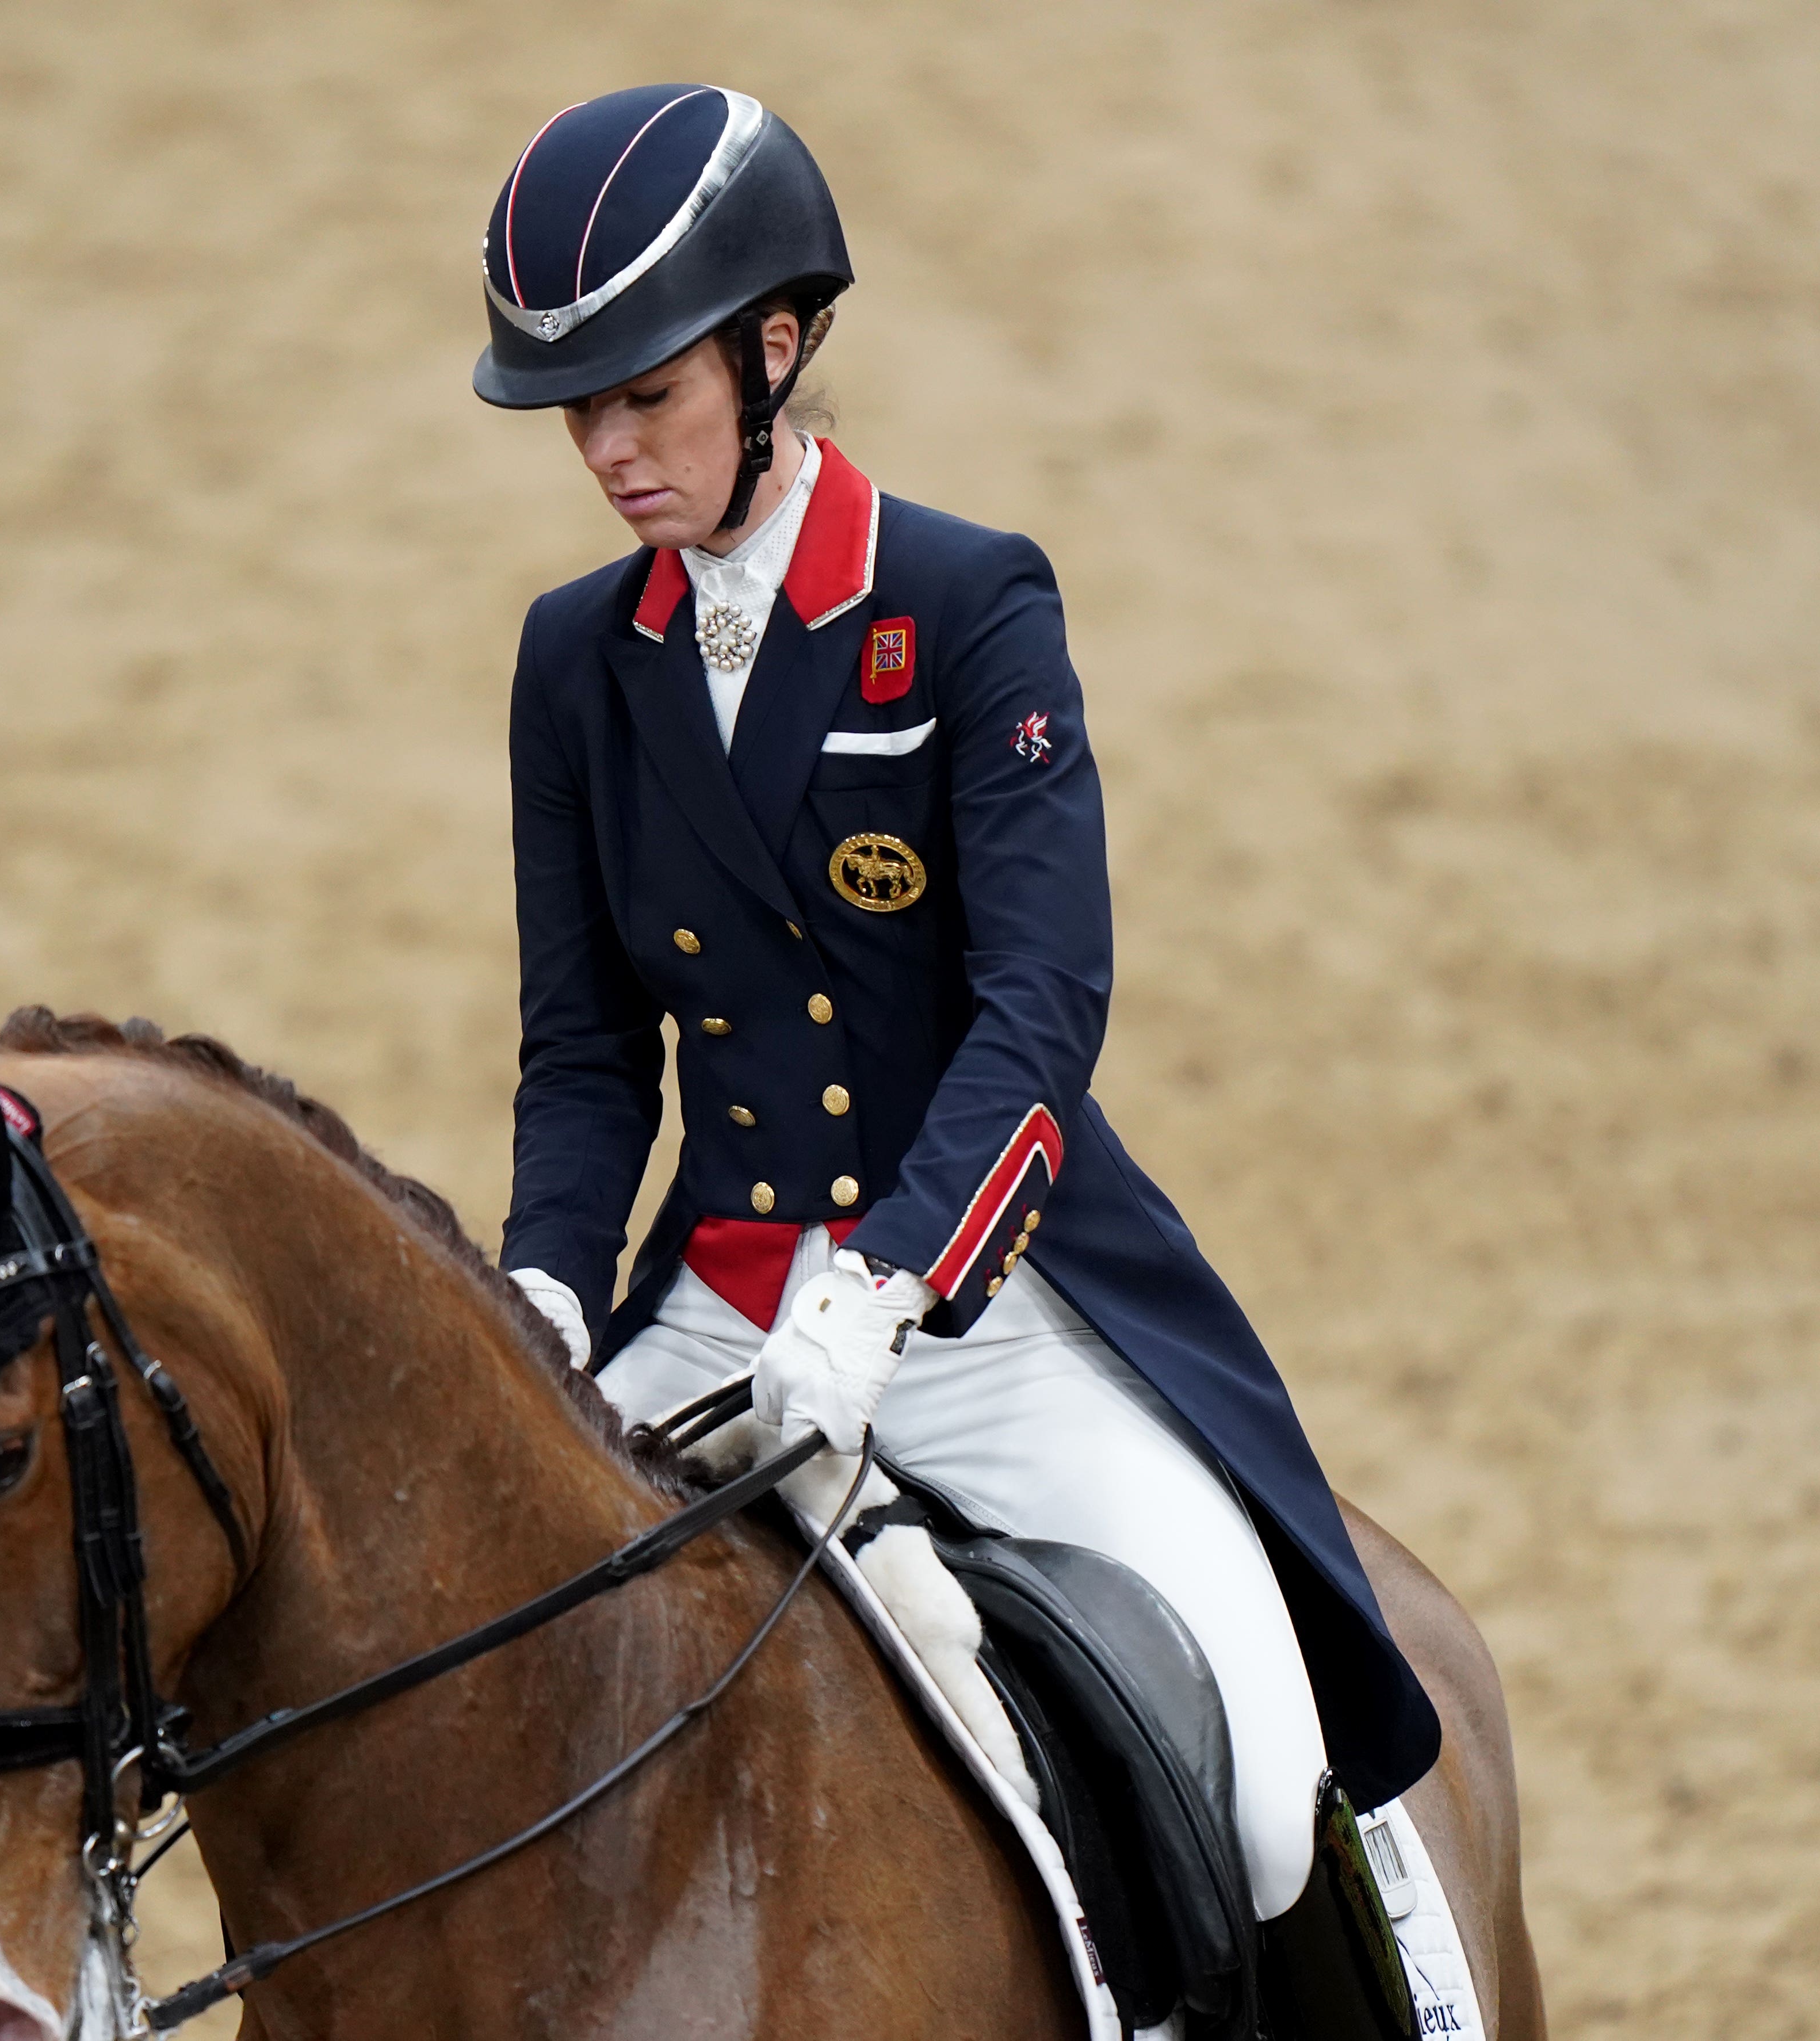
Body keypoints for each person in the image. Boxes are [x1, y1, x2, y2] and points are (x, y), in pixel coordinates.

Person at [477, 81, 1444, 1985]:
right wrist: (541, 1292)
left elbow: (1039, 1008)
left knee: (1258, 1763)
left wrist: (885, 1285)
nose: (606, 448)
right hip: (714, 1299)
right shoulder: (573, 659)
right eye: (575, 409)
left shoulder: (961, 601)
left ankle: (1410, 1982)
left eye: (643, 396)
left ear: (774, 350)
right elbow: (586, 1054)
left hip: (971, 1306)